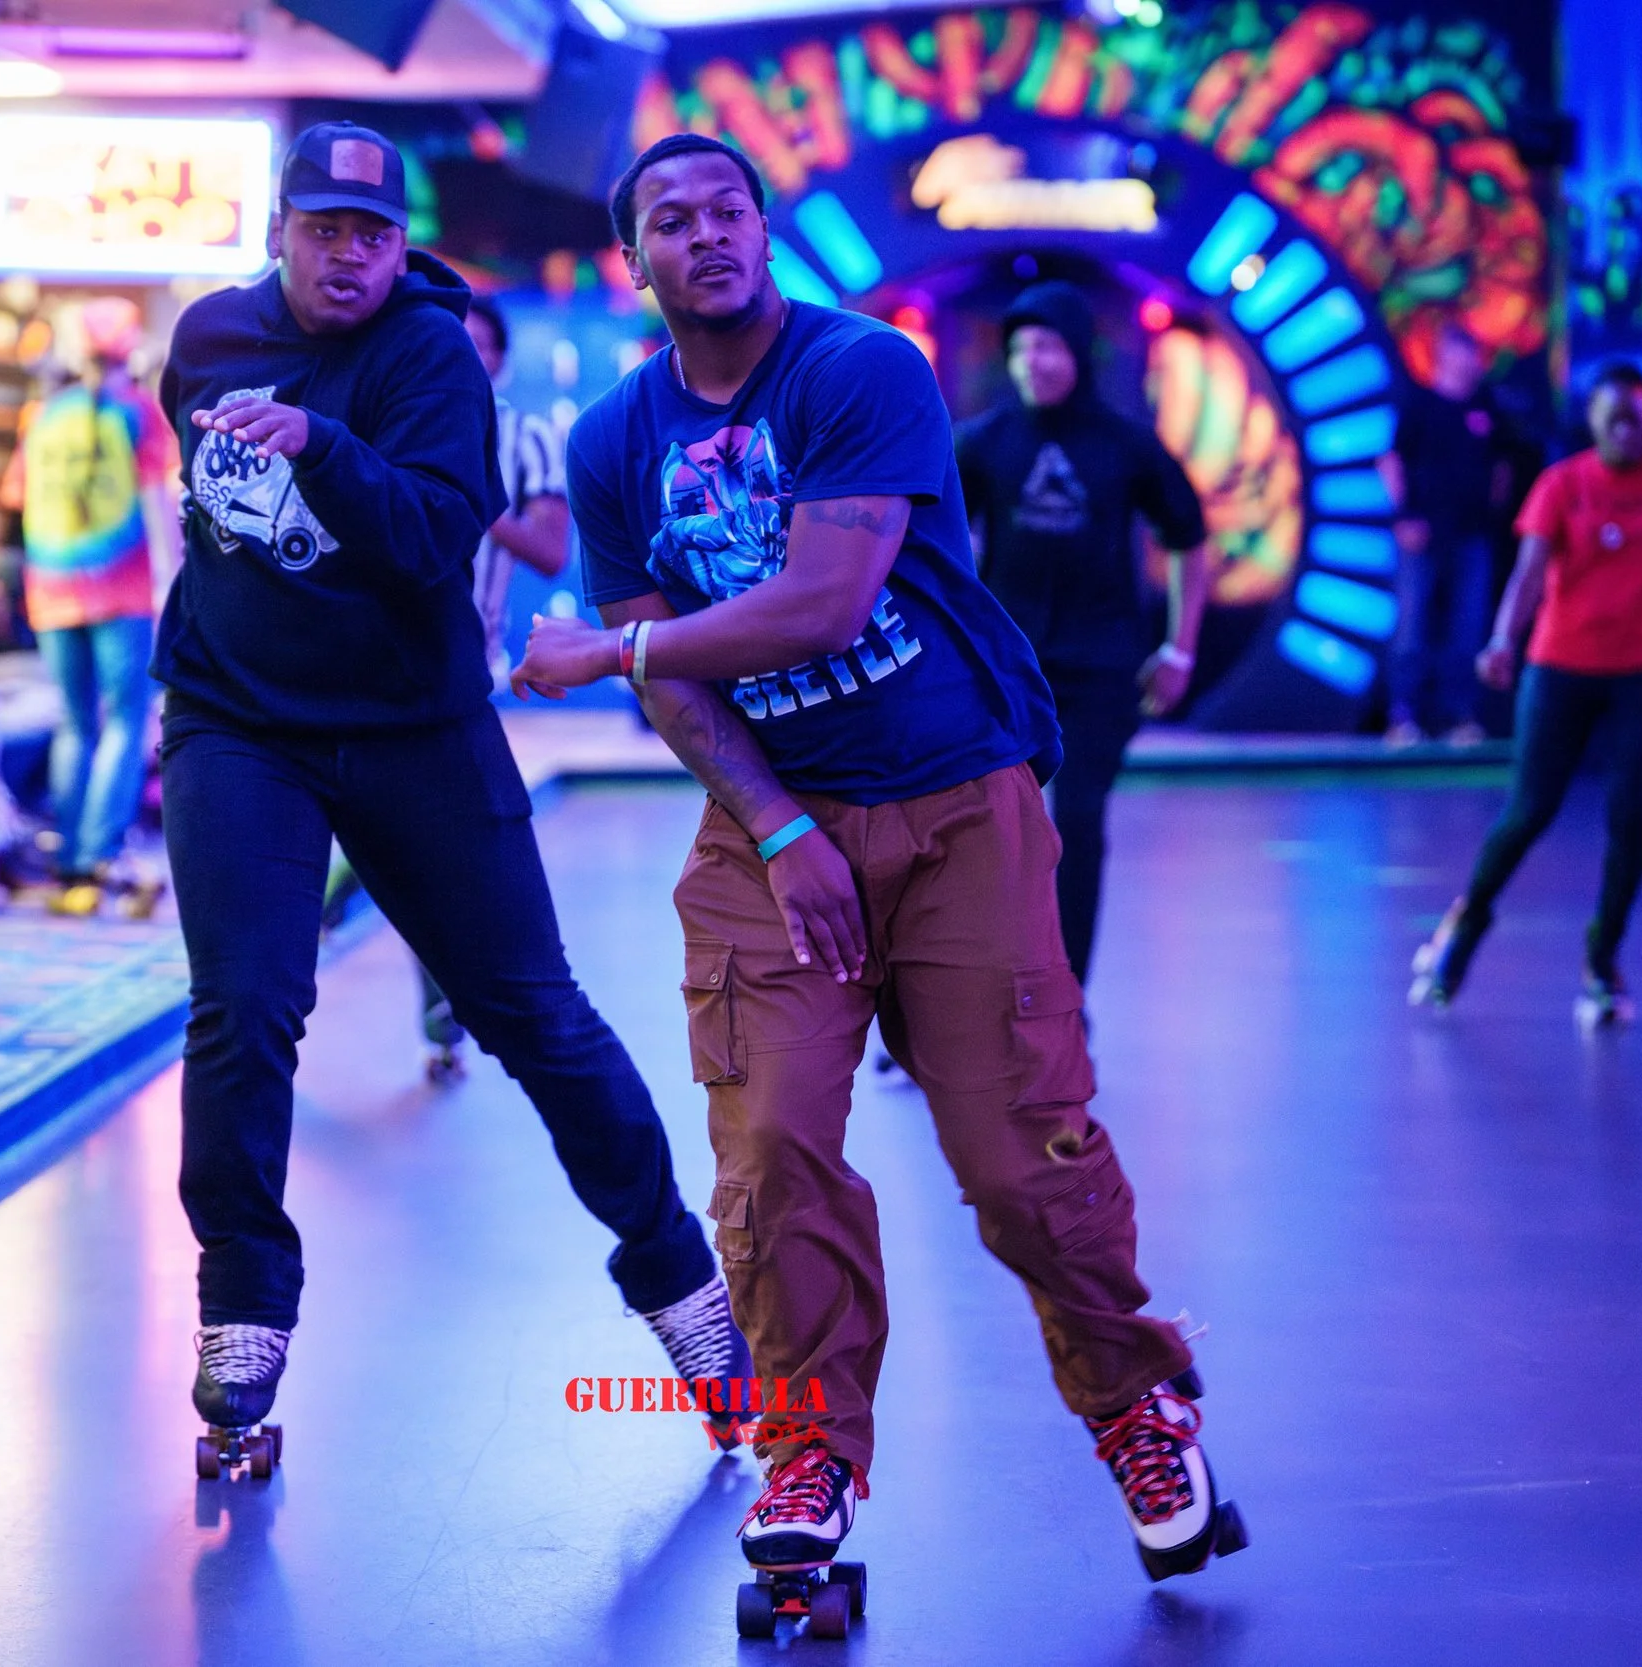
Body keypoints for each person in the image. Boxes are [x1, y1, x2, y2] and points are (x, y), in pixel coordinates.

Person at [514, 133, 1246, 1584]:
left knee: (1014, 1159)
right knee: (770, 1144)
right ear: (638, 259)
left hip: (956, 798)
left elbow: (824, 601)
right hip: (770, 818)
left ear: (764, 228)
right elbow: (687, 691)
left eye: (729, 209)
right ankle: (808, 1448)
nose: (707, 233)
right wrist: (780, 826)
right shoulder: (613, 447)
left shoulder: (862, 372)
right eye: (673, 219)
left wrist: (611, 643)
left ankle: (1136, 1401)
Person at [151, 122, 744, 1456]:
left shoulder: (429, 355)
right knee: (243, 1003)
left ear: (397, 242)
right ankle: (244, 1297)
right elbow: (202, 502)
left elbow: (431, 543)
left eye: (372, 232)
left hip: (416, 728)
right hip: (237, 722)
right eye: (324, 229)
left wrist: (316, 440)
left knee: (532, 1013)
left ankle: (678, 1273)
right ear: (280, 234)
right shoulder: (207, 336)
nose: (349, 254)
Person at [1410, 362, 1642, 1024]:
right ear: (1593, 421)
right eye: (1613, 416)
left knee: (1630, 821)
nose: (1626, 428)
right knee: (1529, 811)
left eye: (1637, 416)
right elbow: (1530, 571)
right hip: (1561, 666)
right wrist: (1503, 641)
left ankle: (1603, 956)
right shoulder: (1563, 484)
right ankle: (1464, 930)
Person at [954, 281, 1211, 990]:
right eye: (1020, 348)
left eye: (1047, 346)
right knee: (989, 833)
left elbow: (1190, 540)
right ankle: (964, 1004)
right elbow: (931, 537)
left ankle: (1063, 994)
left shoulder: (1125, 444)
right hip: (1008, 668)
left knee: (1081, 822)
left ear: (1077, 353)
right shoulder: (985, 441)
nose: (1033, 361)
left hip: (1102, 667)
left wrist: (1179, 647)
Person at [412, 293, 574, 1079]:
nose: (465, 355)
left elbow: (550, 548)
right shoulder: (395, 413)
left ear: (500, 360)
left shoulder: (527, 438)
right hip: (361, 659)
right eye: (452, 341)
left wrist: (477, 506)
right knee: (405, 843)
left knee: (439, 851)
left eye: (480, 345)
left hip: (456, 670)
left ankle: (443, 1020)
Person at [1, 298, 176, 918]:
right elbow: (158, 508)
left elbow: (18, 501)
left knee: (75, 722)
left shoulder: (44, 416)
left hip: (50, 586)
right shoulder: (142, 415)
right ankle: (101, 856)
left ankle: (71, 859)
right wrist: (172, 582)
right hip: (123, 590)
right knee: (127, 721)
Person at [1381, 324, 1509, 746]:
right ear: (1446, 355)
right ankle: (1404, 717)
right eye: (1465, 352)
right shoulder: (1419, 404)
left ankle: (1460, 717)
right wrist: (1404, 516)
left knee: (1468, 627)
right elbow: (1392, 461)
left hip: (1472, 534)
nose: (1474, 362)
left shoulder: (1486, 407)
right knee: (1412, 623)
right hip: (1421, 531)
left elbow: (1502, 465)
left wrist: (1492, 510)